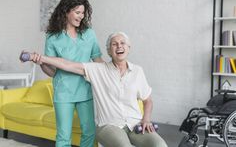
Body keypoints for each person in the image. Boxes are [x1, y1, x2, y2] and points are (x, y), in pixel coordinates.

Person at [22, 32, 168, 147]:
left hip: (135, 123)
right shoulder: (98, 70)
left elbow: (147, 100)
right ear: (109, 51)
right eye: (114, 44)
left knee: (159, 144)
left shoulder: (138, 71)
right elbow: (67, 64)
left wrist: (146, 119)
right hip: (109, 126)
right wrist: (42, 58)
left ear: (129, 48)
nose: (119, 46)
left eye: (122, 43)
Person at [39, 0, 103, 147]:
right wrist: (41, 63)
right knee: (63, 136)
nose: (81, 16)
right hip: (63, 93)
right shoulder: (53, 37)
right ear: (66, 11)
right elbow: (52, 71)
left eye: (83, 13)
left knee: (89, 132)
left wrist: (112, 72)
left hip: (86, 90)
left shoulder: (89, 34)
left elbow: (98, 60)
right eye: (77, 12)